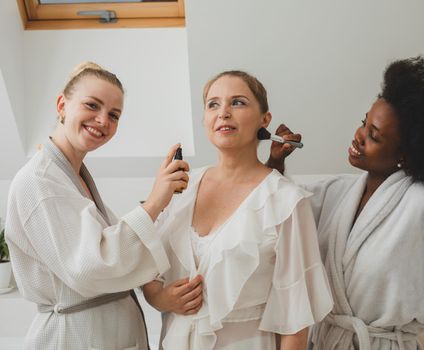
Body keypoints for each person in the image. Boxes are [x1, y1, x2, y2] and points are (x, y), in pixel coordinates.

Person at [267, 56, 424, 350]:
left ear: (405, 153)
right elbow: (280, 222)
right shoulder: (337, 192)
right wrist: (275, 162)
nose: (359, 136)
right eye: (364, 123)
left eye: (374, 136)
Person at [143, 70, 333, 350]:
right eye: (213, 104)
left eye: (238, 102)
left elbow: (296, 320)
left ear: (264, 119)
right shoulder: (180, 186)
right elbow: (145, 263)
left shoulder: (286, 202)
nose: (224, 113)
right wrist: (159, 298)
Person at [5, 62, 190, 350]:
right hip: (75, 336)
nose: (103, 120)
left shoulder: (72, 176)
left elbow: (117, 245)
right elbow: (91, 267)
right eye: (92, 105)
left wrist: (158, 293)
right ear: (62, 105)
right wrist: (154, 202)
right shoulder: (40, 182)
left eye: (114, 115)